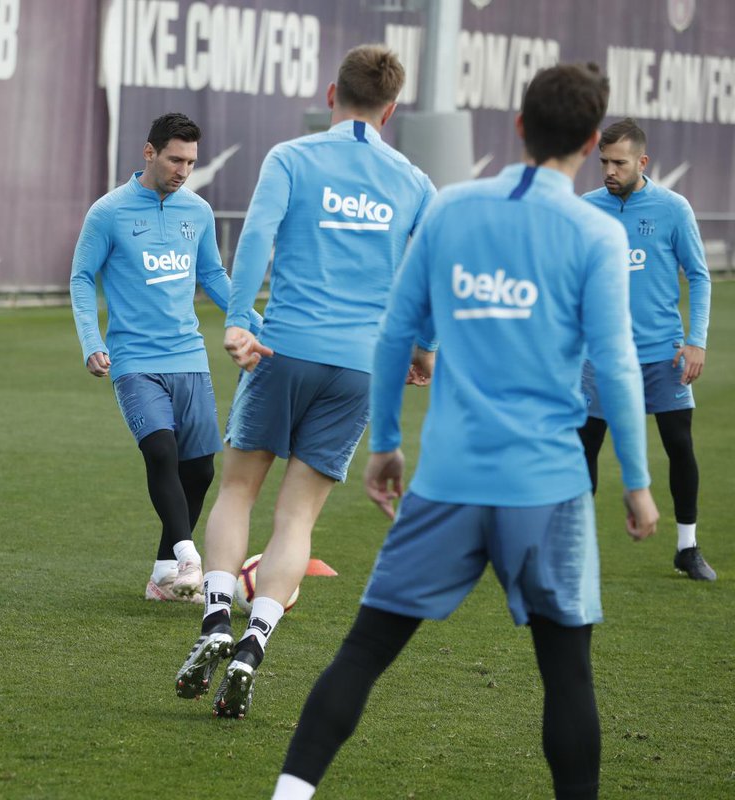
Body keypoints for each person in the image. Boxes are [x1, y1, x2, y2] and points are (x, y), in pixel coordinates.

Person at [272, 64, 659, 800]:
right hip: (546, 489)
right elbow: (617, 366)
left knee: (364, 652)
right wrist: (637, 483)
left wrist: (385, 442)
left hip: (446, 482)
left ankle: (289, 793)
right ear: (588, 140)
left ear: (516, 126)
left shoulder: (451, 209)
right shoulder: (593, 234)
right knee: (567, 673)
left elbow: (394, 336)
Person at [173, 45, 436, 718]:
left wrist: (238, 320)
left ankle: (214, 626)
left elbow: (257, 236)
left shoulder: (291, 158)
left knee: (236, 489)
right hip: (359, 366)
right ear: (392, 109)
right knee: (297, 518)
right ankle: (255, 644)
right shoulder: (412, 181)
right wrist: (424, 349)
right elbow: (428, 277)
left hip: (282, 347)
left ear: (330, 94)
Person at [70, 113, 260, 603]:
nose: (183, 169)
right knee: (160, 451)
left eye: (192, 161)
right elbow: (81, 277)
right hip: (134, 359)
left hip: (189, 356)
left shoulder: (197, 212)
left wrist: (258, 324)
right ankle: (188, 555)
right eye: (176, 158)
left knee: (199, 472)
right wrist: (92, 339)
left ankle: (161, 578)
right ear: (149, 152)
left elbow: (214, 277)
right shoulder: (108, 212)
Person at [579, 118, 714, 581]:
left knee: (679, 444)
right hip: (597, 356)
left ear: (642, 161)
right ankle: (578, 548)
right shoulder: (585, 209)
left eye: (619, 162)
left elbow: (698, 275)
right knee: (585, 449)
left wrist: (696, 340)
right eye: (603, 162)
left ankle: (687, 546)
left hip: (663, 352)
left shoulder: (673, 209)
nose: (609, 171)